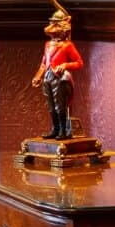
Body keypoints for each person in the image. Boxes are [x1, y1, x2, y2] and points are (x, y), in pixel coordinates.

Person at [31, 10, 83, 139]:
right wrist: (38, 76)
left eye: (57, 25)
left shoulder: (67, 46)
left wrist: (65, 65)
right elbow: (44, 63)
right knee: (51, 105)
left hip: (60, 79)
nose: (53, 28)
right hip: (48, 77)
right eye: (52, 24)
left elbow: (79, 63)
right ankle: (55, 129)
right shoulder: (48, 44)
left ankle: (63, 131)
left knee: (60, 105)